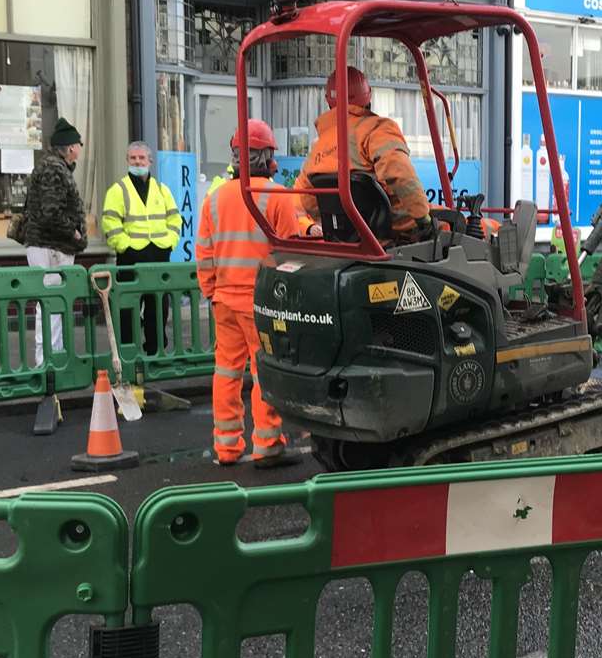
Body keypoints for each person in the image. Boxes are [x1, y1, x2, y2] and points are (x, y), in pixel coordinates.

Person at [195, 119, 307, 466]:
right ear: (268, 155)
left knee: (227, 373)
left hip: (225, 300)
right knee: (264, 373)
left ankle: (226, 447)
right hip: (261, 303)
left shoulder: (215, 199)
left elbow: (204, 252)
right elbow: (291, 252)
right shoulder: (276, 196)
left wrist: (211, 292)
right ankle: (267, 444)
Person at [293, 65, 431, 239]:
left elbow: (307, 199)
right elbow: (400, 174)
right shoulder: (377, 129)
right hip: (393, 226)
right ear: (367, 98)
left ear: (329, 101)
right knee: (451, 222)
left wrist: (340, 221)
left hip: (347, 234)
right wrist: (423, 218)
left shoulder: (319, 147)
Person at [101, 141, 182, 353]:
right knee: (128, 307)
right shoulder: (118, 190)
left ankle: (155, 350)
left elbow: (175, 220)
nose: (137, 162)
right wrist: (125, 246)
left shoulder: (162, 190)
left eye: (141, 158)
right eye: (133, 158)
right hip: (130, 256)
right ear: (127, 161)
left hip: (158, 254)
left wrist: (170, 243)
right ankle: (128, 351)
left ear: (150, 161)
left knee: (158, 306)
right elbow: (110, 222)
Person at [22, 117, 85, 365]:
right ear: (70, 148)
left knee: (54, 303)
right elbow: (51, 213)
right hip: (51, 247)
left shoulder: (54, 167)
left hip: (52, 245)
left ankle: (53, 358)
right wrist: (74, 232)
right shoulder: (53, 169)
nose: (80, 149)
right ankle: (46, 360)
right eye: (78, 144)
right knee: (50, 303)